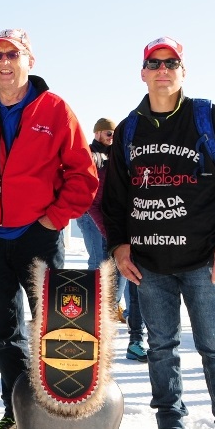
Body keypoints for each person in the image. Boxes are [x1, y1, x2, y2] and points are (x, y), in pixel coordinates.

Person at [103, 36, 215, 429]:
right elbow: (113, 198)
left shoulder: (211, 119)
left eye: (171, 62)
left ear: (182, 71)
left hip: (204, 262)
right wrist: (119, 246)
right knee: (160, 350)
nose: (162, 70)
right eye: (154, 63)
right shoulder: (130, 130)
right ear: (142, 72)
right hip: (150, 265)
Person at [0, 28, 97, 429]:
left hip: (38, 236)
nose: (4, 62)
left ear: (30, 60)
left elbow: (83, 176)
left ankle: (60, 415)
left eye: (13, 54)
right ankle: (13, 415)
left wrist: (54, 219)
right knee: (6, 330)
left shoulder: (55, 110)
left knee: (55, 327)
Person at [80, 117, 147, 363]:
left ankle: (136, 338)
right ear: (98, 133)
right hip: (107, 227)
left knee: (136, 283)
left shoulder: (129, 157)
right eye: (109, 133)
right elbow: (93, 201)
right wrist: (112, 235)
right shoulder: (94, 157)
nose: (113, 138)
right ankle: (96, 339)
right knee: (106, 274)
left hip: (137, 232)